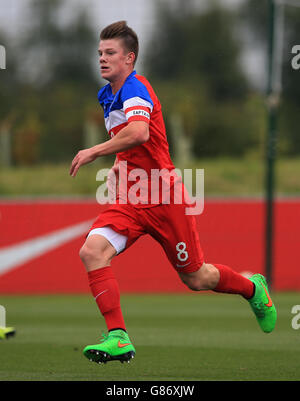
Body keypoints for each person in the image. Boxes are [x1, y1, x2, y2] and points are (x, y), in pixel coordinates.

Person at [69, 21, 277, 365]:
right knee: (92, 251)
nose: (102, 59)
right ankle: (118, 336)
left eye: (110, 53)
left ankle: (253, 288)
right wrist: (121, 162)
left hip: (164, 197)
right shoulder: (108, 95)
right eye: (100, 53)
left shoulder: (136, 88)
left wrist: (95, 151)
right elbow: (131, 140)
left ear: (129, 59)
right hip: (132, 198)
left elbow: (138, 132)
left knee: (196, 277)